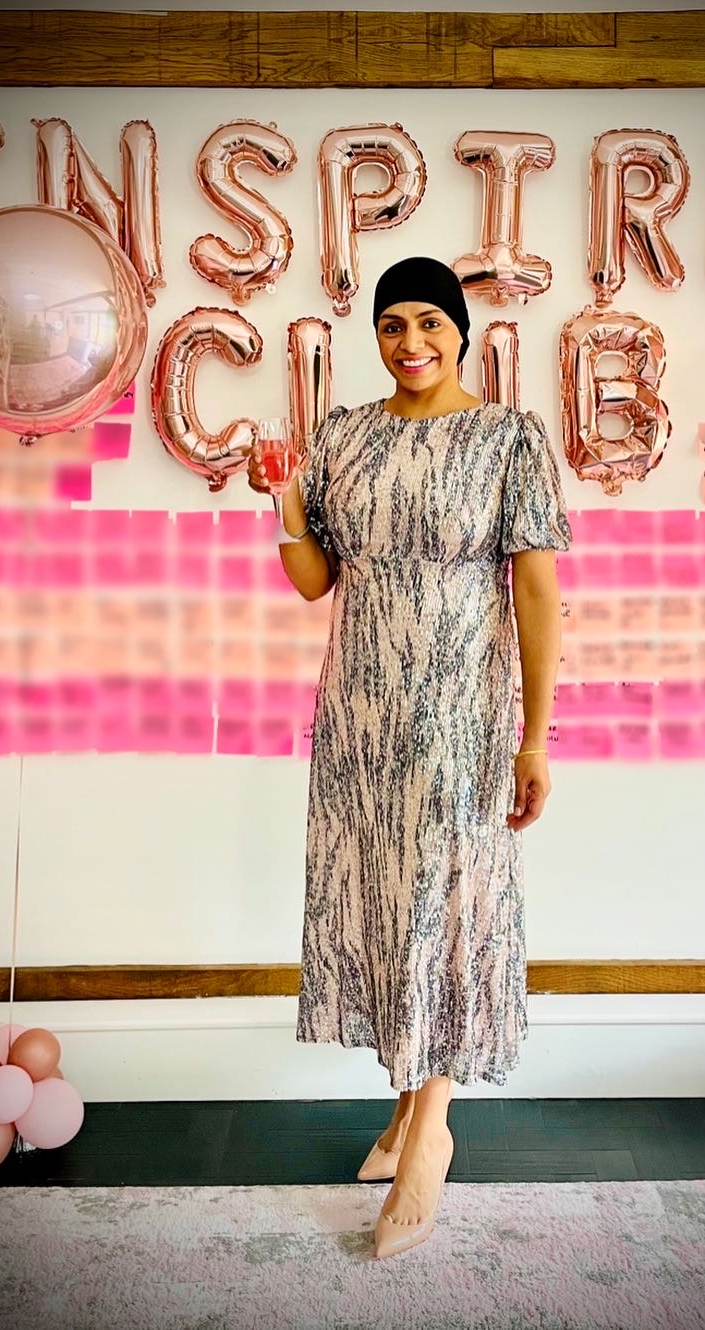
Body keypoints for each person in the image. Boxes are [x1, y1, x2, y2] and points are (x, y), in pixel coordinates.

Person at [247, 255, 571, 1259]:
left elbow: (537, 594)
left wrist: (533, 737)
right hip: (362, 713)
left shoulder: (508, 437)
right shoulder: (343, 435)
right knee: (388, 902)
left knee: (444, 904)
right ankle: (401, 1109)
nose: (411, 342)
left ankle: (432, 1129)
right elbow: (316, 581)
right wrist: (284, 504)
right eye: (392, 325)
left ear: (460, 330)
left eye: (429, 321)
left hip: (460, 712)